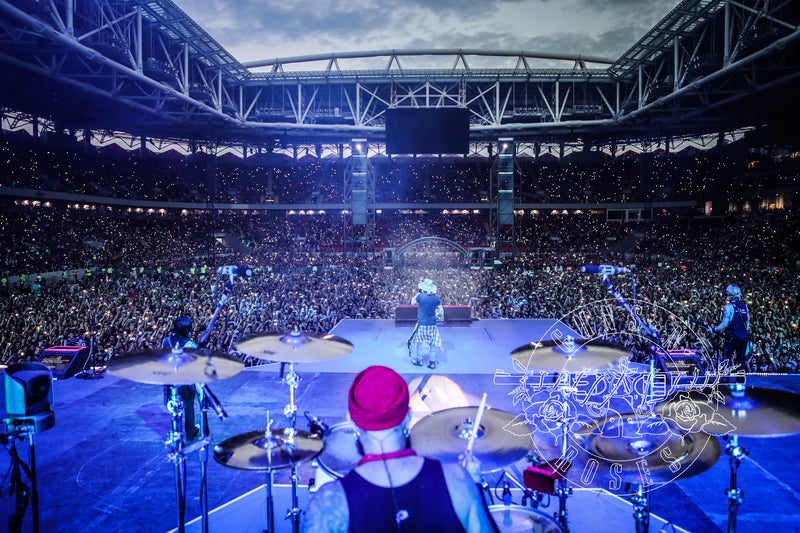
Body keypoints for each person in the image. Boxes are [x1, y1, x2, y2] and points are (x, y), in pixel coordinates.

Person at [302, 366, 498, 533]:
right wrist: (475, 485)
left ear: (351, 421)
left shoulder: (329, 502)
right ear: (408, 416)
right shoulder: (457, 480)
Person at [162, 316, 200, 441]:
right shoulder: (190, 344)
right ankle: (190, 434)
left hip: (171, 382)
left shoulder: (166, 341)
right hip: (185, 382)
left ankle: (176, 434)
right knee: (189, 408)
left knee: (175, 409)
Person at [713, 284, 751, 372]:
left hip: (732, 338)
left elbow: (725, 324)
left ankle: (726, 377)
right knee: (741, 360)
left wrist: (715, 329)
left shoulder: (728, 307)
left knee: (726, 358)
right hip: (743, 338)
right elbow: (747, 323)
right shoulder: (745, 307)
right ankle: (740, 378)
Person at [409, 279, 444, 369]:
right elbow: (441, 311)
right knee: (432, 344)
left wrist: (418, 293)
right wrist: (438, 316)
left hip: (421, 323)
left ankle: (420, 361)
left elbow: (412, 302)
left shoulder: (420, 296)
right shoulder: (436, 298)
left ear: (423, 288)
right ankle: (432, 362)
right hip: (432, 324)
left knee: (419, 343)